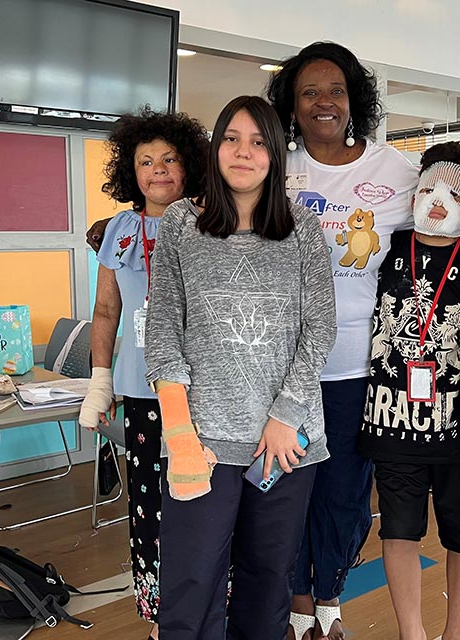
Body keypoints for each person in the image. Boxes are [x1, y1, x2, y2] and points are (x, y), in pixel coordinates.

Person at [143, 95, 336, 640]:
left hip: (285, 441)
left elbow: (319, 329)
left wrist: (285, 415)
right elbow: (162, 332)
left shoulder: (302, 230)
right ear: (215, 148)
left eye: (257, 142)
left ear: (275, 154)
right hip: (202, 441)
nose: (243, 152)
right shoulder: (183, 222)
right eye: (232, 138)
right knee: (189, 584)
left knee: (268, 579)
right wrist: (180, 433)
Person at [265, 41, 420, 640]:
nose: (324, 102)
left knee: (346, 493)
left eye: (336, 90)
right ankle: (298, 603)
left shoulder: (396, 173)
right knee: (287, 488)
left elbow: (449, 229)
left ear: (355, 98)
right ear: (292, 105)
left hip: (360, 367)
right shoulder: (277, 165)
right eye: (310, 92)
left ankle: (328, 599)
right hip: (280, 368)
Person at [77, 107, 210, 640]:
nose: (158, 170)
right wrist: (100, 380)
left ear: (190, 165)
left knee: (201, 499)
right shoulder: (119, 231)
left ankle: (207, 603)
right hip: (140, 391)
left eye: (170, 159)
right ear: (130, 172)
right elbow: (106, 311)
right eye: (145, 161)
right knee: (149, 504)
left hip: (203, 394)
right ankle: (160, 618)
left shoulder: (210, 222)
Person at [356, 142, 460, 640]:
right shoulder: (384, 246)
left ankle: (455, 631)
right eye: (429, 188)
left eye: (455, 194)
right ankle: (411, 633)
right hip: (391, 422)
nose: (438, 200)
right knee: (398, 530)